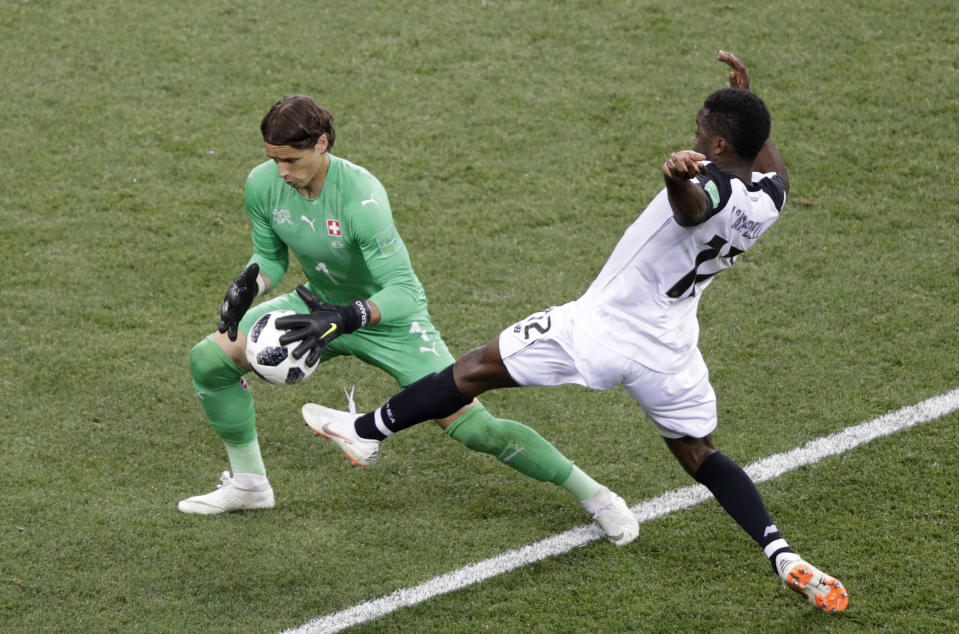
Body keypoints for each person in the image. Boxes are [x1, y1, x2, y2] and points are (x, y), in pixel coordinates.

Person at [294, 53, 849, 611]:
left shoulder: (713, 189)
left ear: (721, 148)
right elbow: (772, 169)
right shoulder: (766, 200)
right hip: (670, 346)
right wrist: (751, 103)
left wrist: (674, 177)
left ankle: (367, 431)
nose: (696, 135)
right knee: (698, 453)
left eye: (703, 131)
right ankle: (783, 555)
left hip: (600, 328)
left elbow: (692, 211)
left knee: (471, 372)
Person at [178, 95, 639, 547]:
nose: (283, 172)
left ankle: (596, 497)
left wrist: (344, 317)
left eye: (292, 160)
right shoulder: (264, 184)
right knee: (209, 361)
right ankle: (250, 485)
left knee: (476, 427)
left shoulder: (361, 199)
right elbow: (270, 257)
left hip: (387, 320)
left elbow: (404, 291)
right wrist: (249, 284)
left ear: (322, 144)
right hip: (315, 310)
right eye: (274, 159)